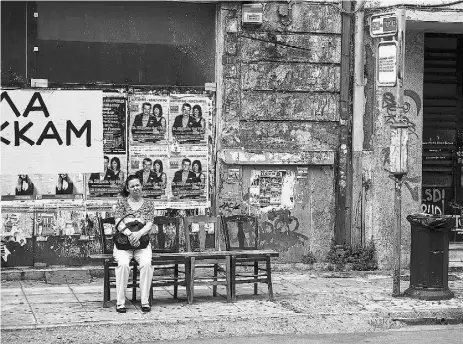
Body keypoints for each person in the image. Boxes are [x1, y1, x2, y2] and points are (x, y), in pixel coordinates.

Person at [113, 174, 157, 313]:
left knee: (146, 264)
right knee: (123, 265)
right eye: (132, 186)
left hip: (142, 243)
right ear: (127, 188)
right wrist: (130, 234)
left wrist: (138, 234)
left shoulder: (149, 203)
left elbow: (149, 223)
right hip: (123, 244)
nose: (135, 188)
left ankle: (145, 302)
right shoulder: (122, 202)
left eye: (137, 185)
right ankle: (120, 303)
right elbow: (118, 223)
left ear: (141, 186)